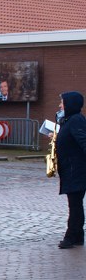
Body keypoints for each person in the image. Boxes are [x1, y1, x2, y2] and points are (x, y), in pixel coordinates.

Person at [55, 91, 86, 249]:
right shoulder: (70, 120)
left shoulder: (76, 121)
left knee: (74, 205)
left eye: (62, 103)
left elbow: (83, 141)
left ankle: (71, 236)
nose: (60, 105)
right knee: (75, 204)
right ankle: (78, 235)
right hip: (71, 169)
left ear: (70, 104)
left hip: (76, 170)